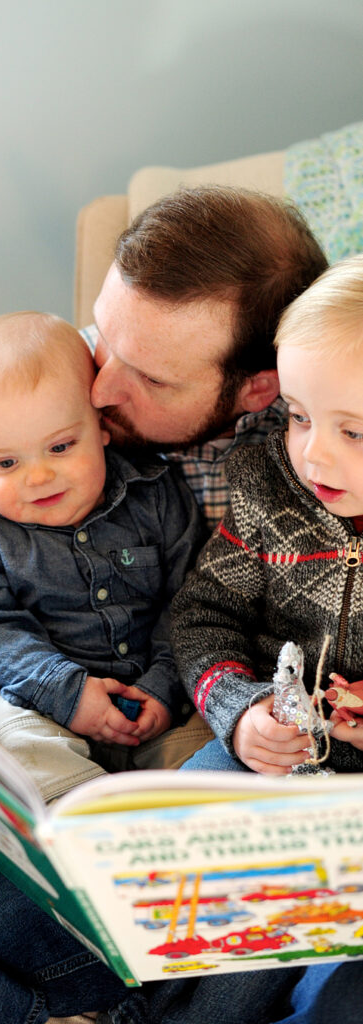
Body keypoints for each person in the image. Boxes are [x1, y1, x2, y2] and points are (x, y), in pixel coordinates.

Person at [0, 187, 359, 1023]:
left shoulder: (305, 436)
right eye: (101, 337)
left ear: (259, 389)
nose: (95, 387)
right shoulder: (71, 372)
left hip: (236, 780)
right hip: (68, 752)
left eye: (149, 376)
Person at [0, 311, 203, 800]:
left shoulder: (158, 493)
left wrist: (164, 687)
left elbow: (191, 598)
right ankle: (77, 831)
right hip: (43, 708)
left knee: (216, 758)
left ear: (101, 427)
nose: (38, 476)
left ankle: (159, 831)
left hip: (163, 704)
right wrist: (66, 692)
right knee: (12, 755)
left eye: (60, 446)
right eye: (5, 463)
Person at [172, 253, 363, 777]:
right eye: (299, 416)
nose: (313, 455)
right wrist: (238, 709)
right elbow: (203, 615)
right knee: (176, 821)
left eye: (354, 432)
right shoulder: (265, 490)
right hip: (277, 752)